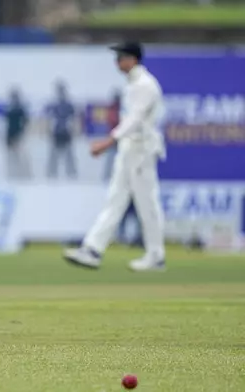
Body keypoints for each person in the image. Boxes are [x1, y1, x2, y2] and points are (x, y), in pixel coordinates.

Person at [63, 42, 166, 272]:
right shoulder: (133, 84)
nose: (117, 62)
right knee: (115, 199)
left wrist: (107, 141)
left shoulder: (145, 85)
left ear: (133, 60)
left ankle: (156, 255)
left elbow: (135, 119)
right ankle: (92, 249)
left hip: (141, 150)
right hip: (128, 150)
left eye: (121, 57)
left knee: (147, 203)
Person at [46, 80, 77, 179]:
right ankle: (51, 174)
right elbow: (49, 120)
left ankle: (71, 174)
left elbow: (73, 119)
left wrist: (72, 130)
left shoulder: (69, 105)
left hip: (66, 133)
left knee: (69, 156)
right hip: (56, 133)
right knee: (53, 156)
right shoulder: (54, 105)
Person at [5, 88, 30, 179]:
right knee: (11, 157)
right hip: (10, 135)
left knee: (21, 157)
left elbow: (25, 122)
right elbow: (7, 124)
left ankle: (23, 176)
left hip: (18, 135)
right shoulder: (9, 109)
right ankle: (12, 176)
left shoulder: (20, 110)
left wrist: (21, 134)